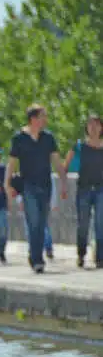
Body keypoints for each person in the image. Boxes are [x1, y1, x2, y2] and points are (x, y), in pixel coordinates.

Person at [8, 104, 65, 272]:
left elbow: (56, 161)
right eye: (42, 116)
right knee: (33, 222)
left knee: (41, 223)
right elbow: (11, 163)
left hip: (45, 185)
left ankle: (34, 254)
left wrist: (63, 181)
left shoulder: (48, 138)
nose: (45, 120)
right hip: (28, 186)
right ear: (33, 119)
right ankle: (37, 259)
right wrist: (7, 185)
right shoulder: (19, 138)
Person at [72, 113, 103, 269]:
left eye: (97, 124)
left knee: (100, 224)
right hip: (83, 189)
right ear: (86, 128)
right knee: (83, 224)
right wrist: (63, 184)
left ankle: (100, 258)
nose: (93, 127)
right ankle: (81, 254)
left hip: (100, 190)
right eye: (90, 124)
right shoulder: (80, 146)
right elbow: (66, 164)